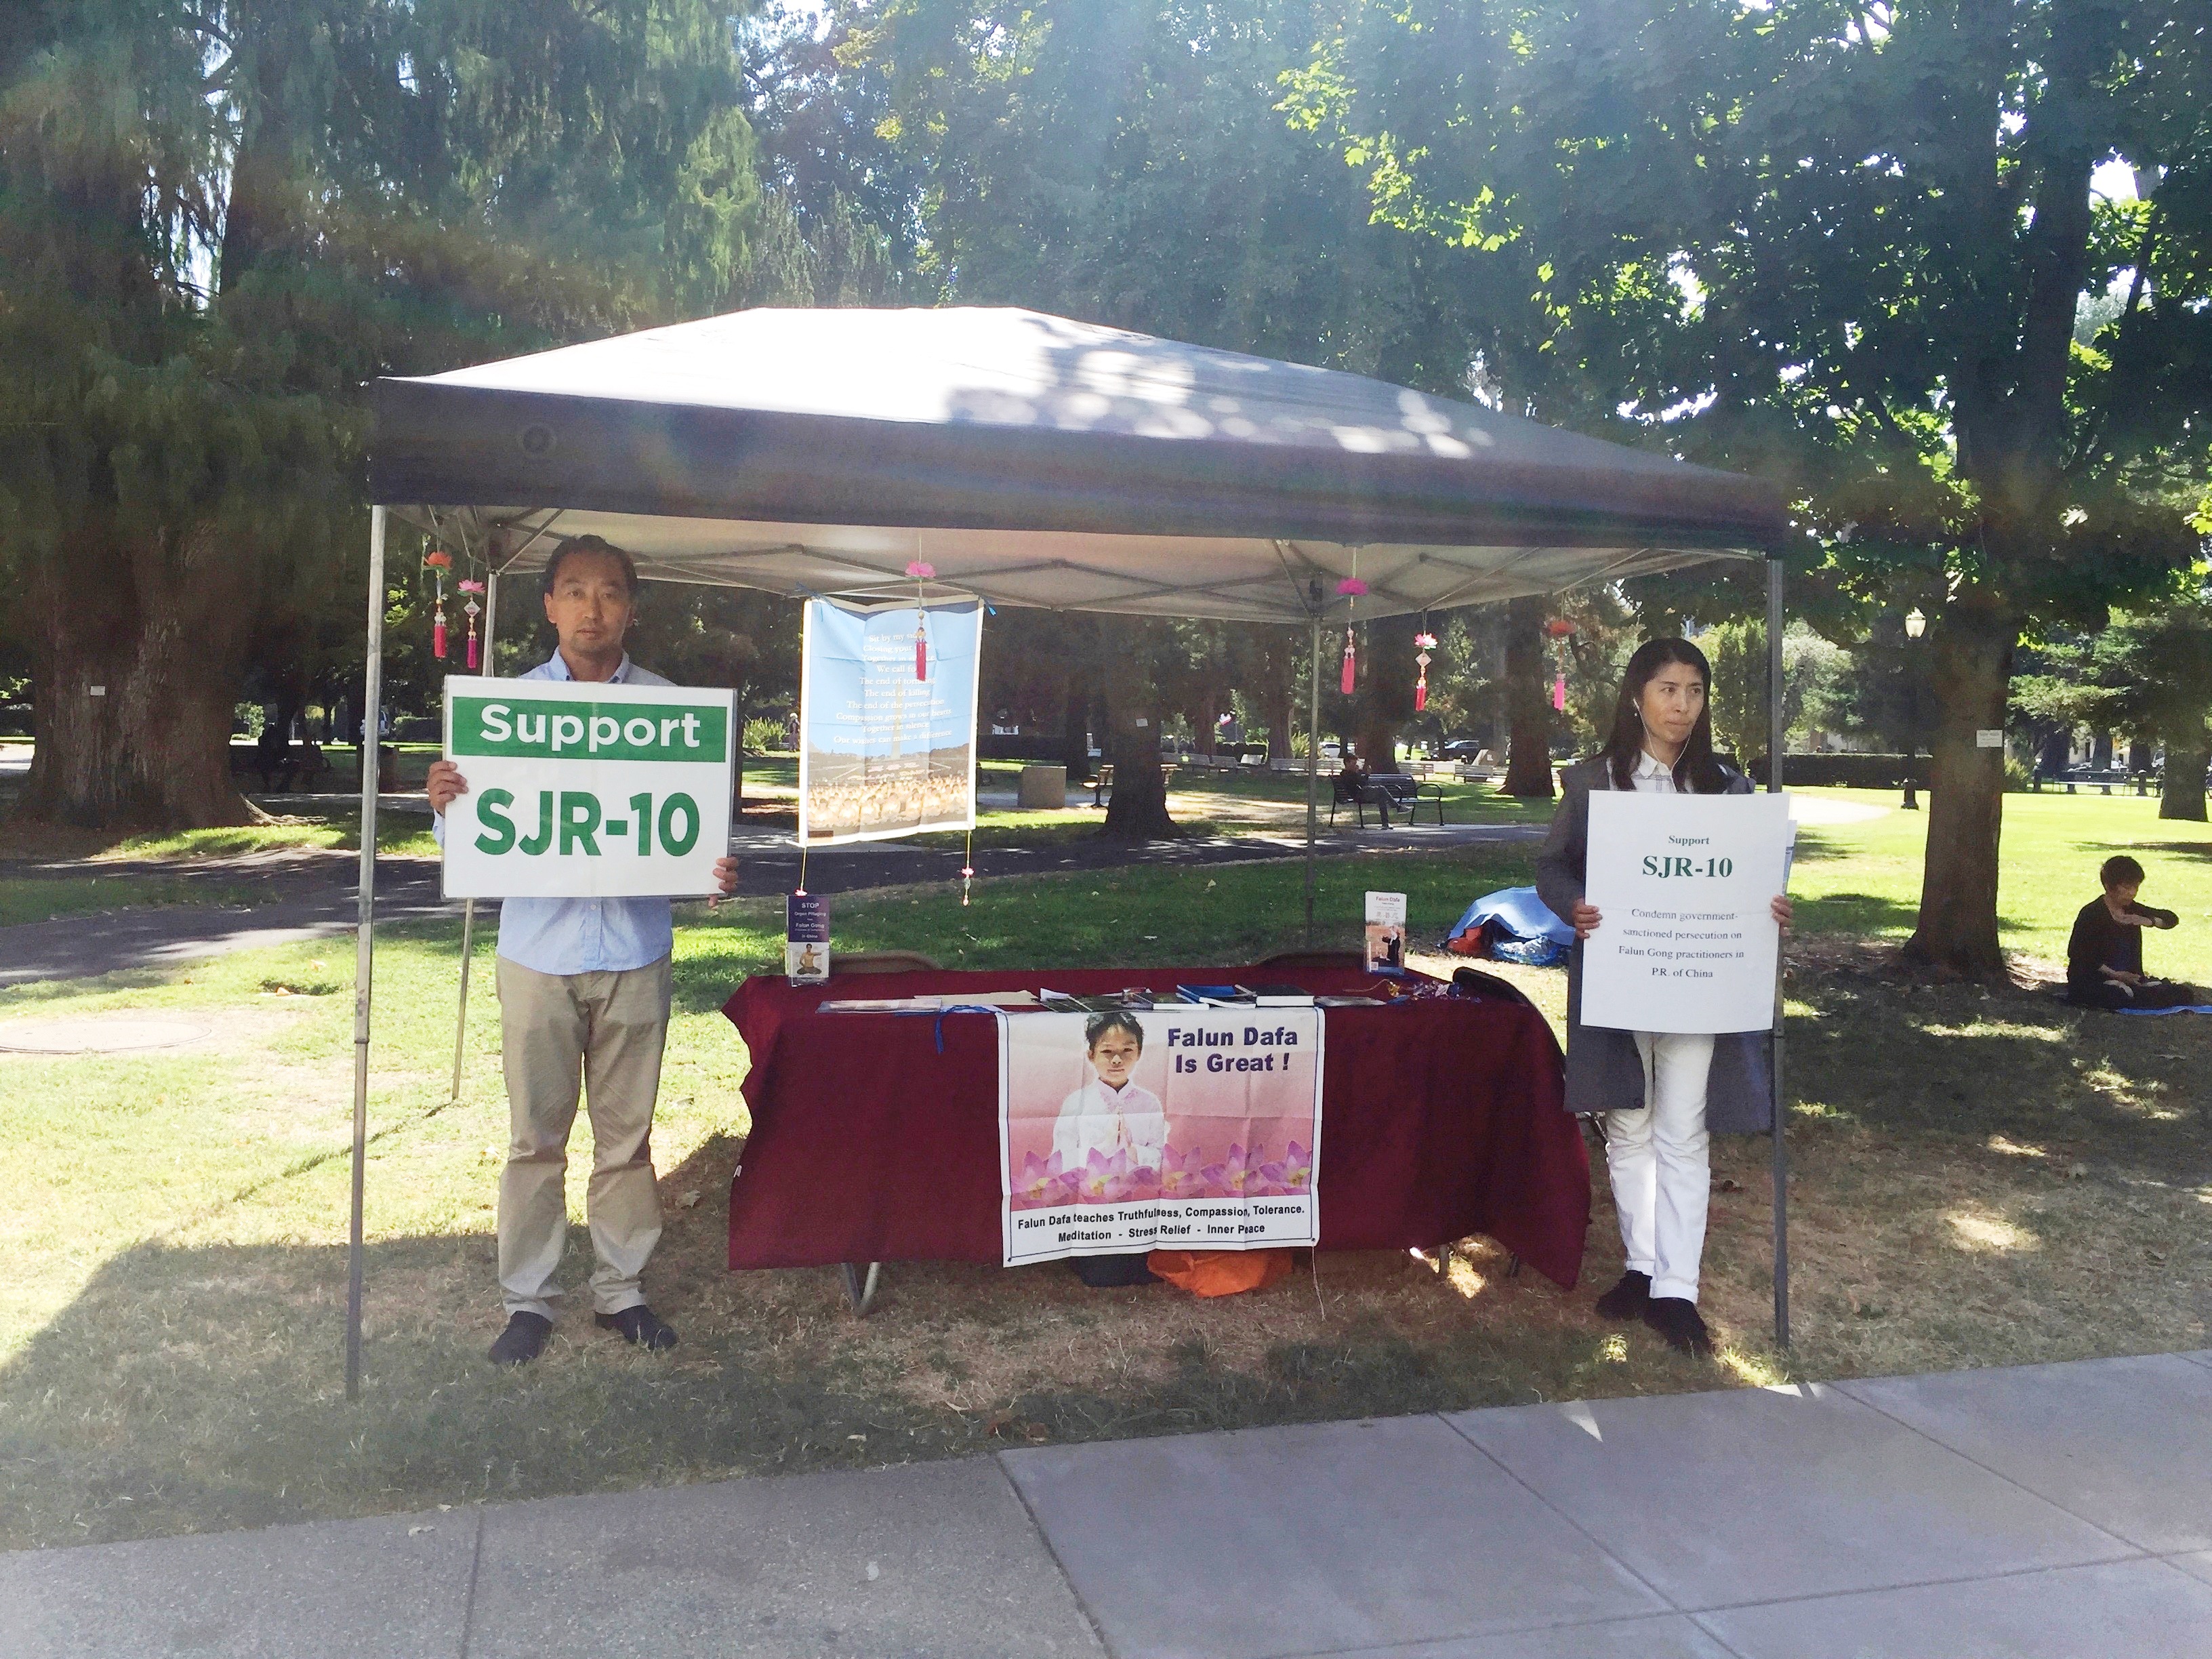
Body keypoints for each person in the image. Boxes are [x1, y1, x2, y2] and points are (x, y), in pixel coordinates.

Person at [427, 535, 739, 1367]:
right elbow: (469, 843)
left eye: (608, 592)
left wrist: (715, 865)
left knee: (626, 1139)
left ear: (630, 608)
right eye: (574, 591)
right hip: (538, 953)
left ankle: (620, 1291)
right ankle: (528, 1301)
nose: (591, 608)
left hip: (636, 950)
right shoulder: (506, 710)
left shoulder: (672, 709)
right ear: (550, 607)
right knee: (535, 1138)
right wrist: (446, 805)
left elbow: (696, 830)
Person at [1536, 638, 1793, 1358]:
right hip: (1621, 978)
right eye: (1668, 689)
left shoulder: (1728, 789)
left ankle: (1678, 1290)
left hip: (1698, 984)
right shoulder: (1593, 782)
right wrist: (1575, 905)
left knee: (1683, 1130)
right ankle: (1641, 1268)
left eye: (1695, 691)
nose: (1683, 705)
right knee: (1628, 1126)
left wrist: (1770, 905)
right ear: (1637, 696)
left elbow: (1755, 877)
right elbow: (1552, 868)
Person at [2066, 855, 2200, 1010]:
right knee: (2116, 995)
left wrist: (2149, 921)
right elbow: (2077, 953)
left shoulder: (2133, 909)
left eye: (2136, 887)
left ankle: (2137, 994)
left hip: (2131, 980)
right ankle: (2135, 995)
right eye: (2126, 887)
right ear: (2109, 886)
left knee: (2184, 994)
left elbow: (2171, 919)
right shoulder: (2092, 913)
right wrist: (2115, 974)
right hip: (2094, 979)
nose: (2132, 893)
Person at [1052, 1012, 1167, 1176]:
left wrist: (1132, 1149)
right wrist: (1104, 1148)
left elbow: (1161, 1155)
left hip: (1138, 1187)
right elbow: (1060, 1159)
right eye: (1107, 1051)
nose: (1117, 1060)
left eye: (1127, 1049)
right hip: (1090, 1187)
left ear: (1139, 1053)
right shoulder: (1076, 1102)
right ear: (1091, 1055)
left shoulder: (1149, 1102)